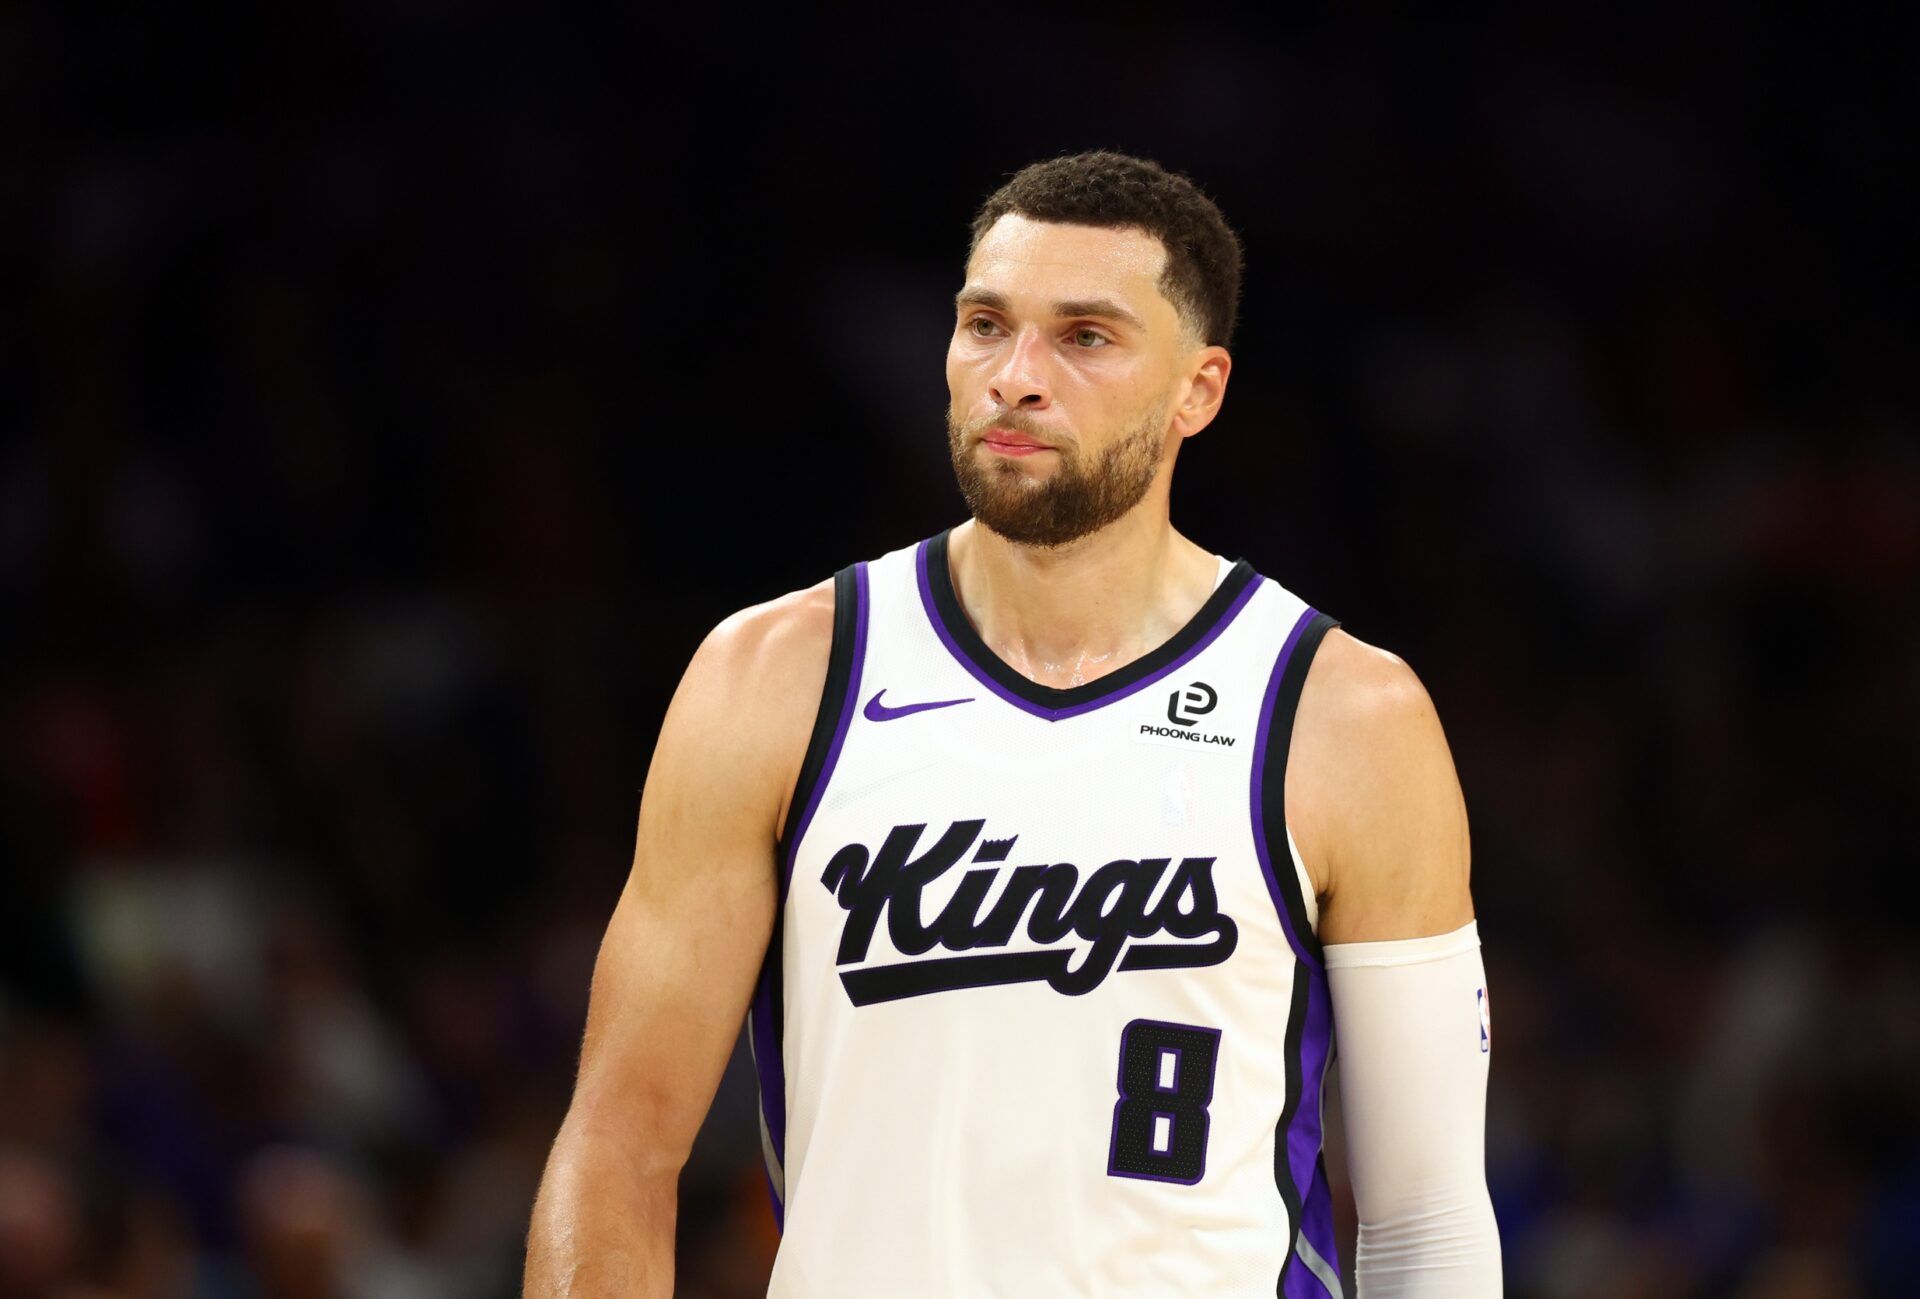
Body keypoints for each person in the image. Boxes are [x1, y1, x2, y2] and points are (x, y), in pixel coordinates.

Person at [523, 150, 1502, 1298]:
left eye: (1084, 337)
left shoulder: (1345, 714)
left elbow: (1425, 1218)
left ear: (1200, 389)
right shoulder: (776, 678)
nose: (1016, 376)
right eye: (986, 325)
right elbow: (619, 1152)